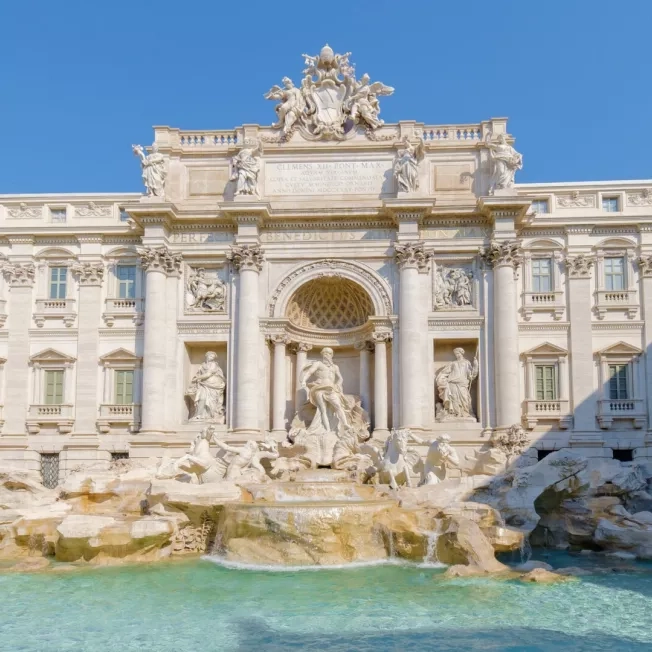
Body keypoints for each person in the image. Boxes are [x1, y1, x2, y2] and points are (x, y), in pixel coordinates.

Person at [300, 347, 353, 434]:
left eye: (328, 353)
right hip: (319, 388)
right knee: (322, 409)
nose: (326, 355)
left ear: (331, 355)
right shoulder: (318, 364)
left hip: (331, 389)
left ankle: (345, 424)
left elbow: (340, 378)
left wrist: (338, 384)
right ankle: (327, 429)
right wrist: (304, 381)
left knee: (338, 406)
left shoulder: (335, 367)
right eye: (324, 353)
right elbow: (309, 372)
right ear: (322, 354)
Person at [436, 347, 479, 419]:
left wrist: (476, 365)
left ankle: (465, 413)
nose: (457, 355)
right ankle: (456, 414)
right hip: (452, 383)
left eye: (458, 353)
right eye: (456, 354)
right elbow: (444, 372)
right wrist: (442, 379)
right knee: (454, 399)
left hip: (462, 384)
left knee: (465, 398)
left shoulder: (466, 363)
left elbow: (471, 376)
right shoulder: (453, 363)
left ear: (462, 353)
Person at [186, 352, 226, 422]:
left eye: (213, 356)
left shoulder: (214, 364)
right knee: (202, 398)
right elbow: (199, 374)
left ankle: (210, 416)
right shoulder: (202, 365)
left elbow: (208, 374)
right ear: (206, 356)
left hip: (213, 385)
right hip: (203, 384)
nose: (212, 357)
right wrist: (197, 378)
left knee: (212, 402)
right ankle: (199, 415)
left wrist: (198, 378)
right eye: (210, 356)